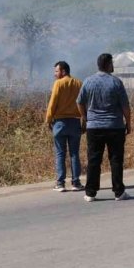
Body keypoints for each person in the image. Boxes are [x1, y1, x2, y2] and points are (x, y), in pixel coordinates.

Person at [77, 52, 132, 202]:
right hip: (115, 126)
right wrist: (128, 123)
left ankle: (90, 193)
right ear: (108, 65)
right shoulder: (116, 82)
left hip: (94, 127)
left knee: (94, 159)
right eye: (112, 63)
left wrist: (85, 117)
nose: (113, 65)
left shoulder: (88, 82)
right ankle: (119, 192)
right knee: (116, 159)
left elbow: (80, 102)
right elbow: (125, 106)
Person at [44, 60, 84, 192]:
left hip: (60, 123)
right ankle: (76, 182)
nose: (55, 74)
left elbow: (52, 103)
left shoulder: (58, 84)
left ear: (63, 71)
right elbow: (83, 103)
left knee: (60, 153)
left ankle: (60, 183)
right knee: (74, 153)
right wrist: (84, 120)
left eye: (56, 71)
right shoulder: (78, 83)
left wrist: (48, 119)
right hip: (75, 122)